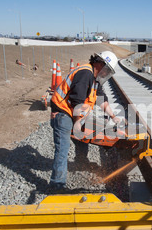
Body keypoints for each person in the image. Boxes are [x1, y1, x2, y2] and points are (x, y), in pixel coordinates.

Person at [49, 51, 121, 190]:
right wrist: (77, 123)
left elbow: (101, 99)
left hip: (73, 113)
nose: (106, 74)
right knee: (62, 149)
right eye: (107, 70)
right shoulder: (85, 74)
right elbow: (77, 101)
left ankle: (81, 162)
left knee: (81, 140)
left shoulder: (95, 79)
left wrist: (113, 117)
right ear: (100, 63)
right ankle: (57, 184)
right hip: (63, 113)